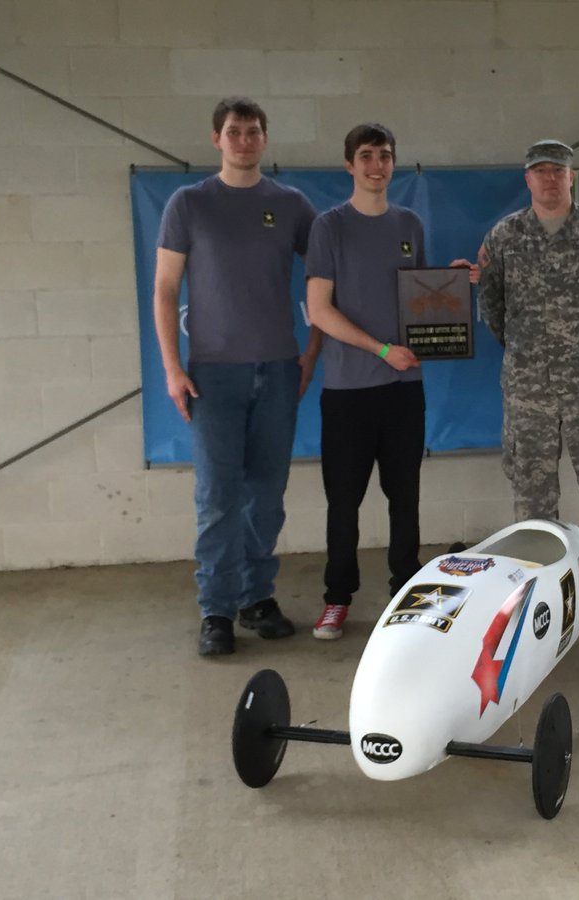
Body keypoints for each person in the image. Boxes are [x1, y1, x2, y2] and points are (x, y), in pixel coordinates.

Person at [154, 97, 319, 656]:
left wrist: (311, 352)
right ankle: (217, 609)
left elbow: (328, 276)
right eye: (234, 131)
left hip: (277, 371)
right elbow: (165, 289)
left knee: (266, 495)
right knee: (218, 497)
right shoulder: (189, 203)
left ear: (264, 140)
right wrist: (173, 369)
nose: (243, 140)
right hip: (212, 377)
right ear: (216, 139)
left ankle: (256, 597)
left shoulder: (292, 204)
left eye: (253, 132)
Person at [304, 123, 431, 640]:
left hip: (404, 391)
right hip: (348, 392)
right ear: (349, 165)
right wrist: (380, 349)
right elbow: (318, 310)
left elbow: (422, 297)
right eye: (366, 156)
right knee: (343, 502)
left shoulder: (410, 224)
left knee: (406, 499)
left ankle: (406, 595)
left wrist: (453, 284)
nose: (376, 165)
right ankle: (337, 599)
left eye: (384, 156)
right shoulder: (328, 227)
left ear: (394, 163)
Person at [477, 139, 579, 527]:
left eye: (557, 171)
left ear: (571, 177)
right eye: (541, 172)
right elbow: (491, 304)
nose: (549, 179)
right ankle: (544, 583)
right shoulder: (505, 236)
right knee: (532, 497)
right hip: (528, 390)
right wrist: (526, 350)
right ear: (527, 180)